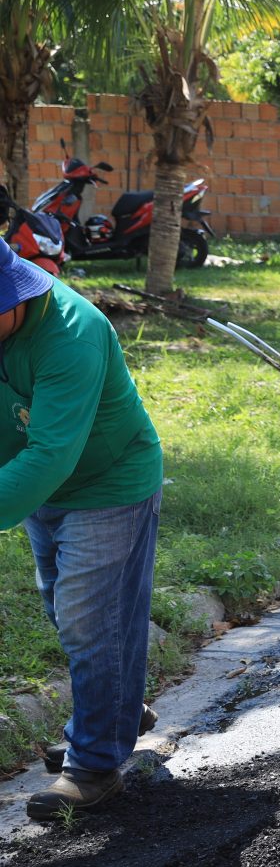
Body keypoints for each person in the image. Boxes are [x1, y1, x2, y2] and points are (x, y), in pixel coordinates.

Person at [0, 238, 164, 820]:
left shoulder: (72, 332)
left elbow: (50, 454)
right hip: (33, 484)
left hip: (107, 483)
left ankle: (94, 766)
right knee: (64, 611)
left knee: (91, 619)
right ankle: (117, 709)